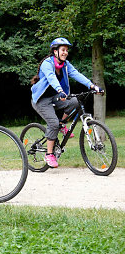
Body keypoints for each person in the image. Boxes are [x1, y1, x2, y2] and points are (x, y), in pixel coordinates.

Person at [30, 37, 103, 168]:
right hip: (41, 99)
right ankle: (49, 154)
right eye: (63, 50)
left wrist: (93, 86)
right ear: (55, 51)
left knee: (75, 101)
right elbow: (51, 78)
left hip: (56, 97)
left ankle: (62, 124)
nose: (65, 52)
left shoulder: (66, 65)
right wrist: (60, 90)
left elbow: (77, 74)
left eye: (67, 50)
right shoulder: (47, 63)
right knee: (52, 123)